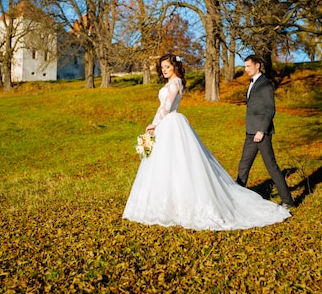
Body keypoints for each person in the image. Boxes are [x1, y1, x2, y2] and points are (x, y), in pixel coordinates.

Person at [123, 53, 291, 231]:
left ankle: (283, 199)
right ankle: (170, 202)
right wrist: (156, 124)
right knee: (169, 164)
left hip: (171, 123)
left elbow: (166, 106)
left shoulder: (176, 82)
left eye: (167, 67)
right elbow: (162, 106)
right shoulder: (169, 83)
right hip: (167, 125)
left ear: (175, 67)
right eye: (162, 67)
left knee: (181, 163)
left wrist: (155, 124)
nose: (164, 70)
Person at [236, 55, 295, 209]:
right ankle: (236, 198)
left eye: (248, 66)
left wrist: (261, 131)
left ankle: (288, 201)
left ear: (258, 66)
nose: (246, 69)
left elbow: (270, 109)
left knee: (271, 167)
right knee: (243, 166)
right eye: (245, 66)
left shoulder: (265, 84)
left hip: (261, 134)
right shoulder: (252, 83)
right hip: (250, 132)